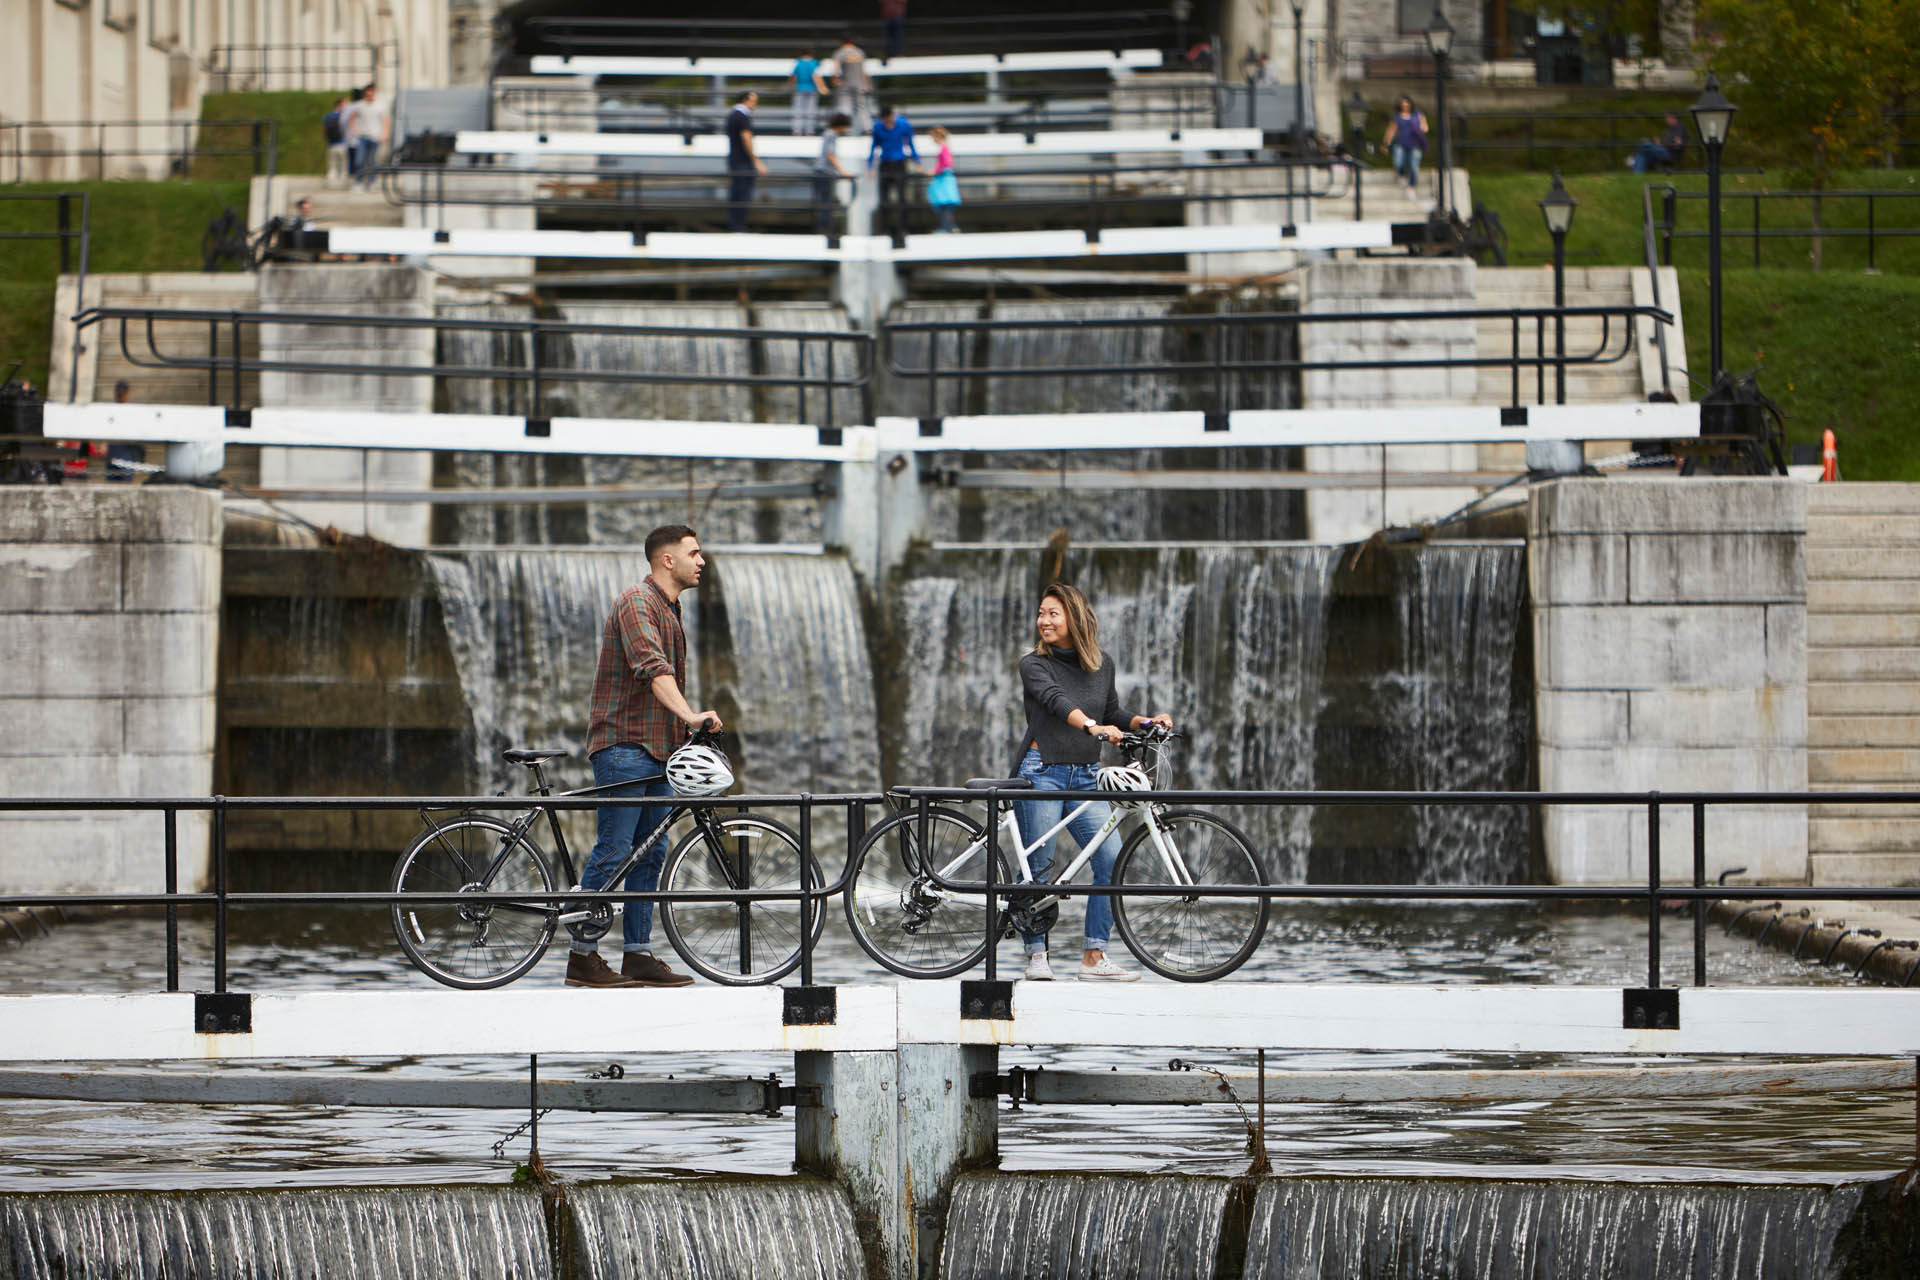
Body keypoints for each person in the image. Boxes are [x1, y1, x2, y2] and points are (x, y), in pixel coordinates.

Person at [567, 524, 722, 989]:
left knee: (652, 851)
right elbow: (652, 668)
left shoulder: (669, 608)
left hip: (659, 750)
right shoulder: (637, 602)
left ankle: (637, 954)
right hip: (624, 746)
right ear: (666, 560)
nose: (702, 561)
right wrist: (692, 715)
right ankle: (582, 956)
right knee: (615, 850)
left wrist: (686, 731)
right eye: (693, 553)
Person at [1013, 583, 1174, 983]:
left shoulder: (1102, 664)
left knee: (1111, 862)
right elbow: (1055, 701)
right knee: (1039, 867)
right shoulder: (1033, 664)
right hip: (1042, 771)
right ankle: (1036, 956)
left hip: (1085, 776)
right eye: (1041, 613)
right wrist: (1091, 727)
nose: (1044, 621)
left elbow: (1114, 712)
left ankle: (1093, 956)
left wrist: (1146, 722)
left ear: (1075, 618)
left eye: (1053, 613)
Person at [868, 102, 919, 243]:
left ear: (892, 116)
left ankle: (903, 228)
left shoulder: (903, 124)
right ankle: (885, 228)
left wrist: (917, 161)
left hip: (899, 164)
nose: (886, 122)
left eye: (888, 119)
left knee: (902, 198)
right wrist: (870, 166)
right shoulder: (878, 127)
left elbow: (910, 143)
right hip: (885, 164)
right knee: (884, 199)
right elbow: (874, 146)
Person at [725, 90, 767, 233]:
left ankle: (736, 224)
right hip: (743, 161)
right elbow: (746, 138)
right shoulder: (742, 117)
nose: (755, 105)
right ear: (745, 100)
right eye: (753, 101)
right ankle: (739, 226)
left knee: (737, 193)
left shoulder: (732, 115)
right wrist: (755, 160)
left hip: (734, 159)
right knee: (743, 193)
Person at [813, 112, 853, 235]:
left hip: (822, 172)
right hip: (824, 173)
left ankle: (824, 227)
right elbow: (830, 155)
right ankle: (825, 228)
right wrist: (843, 171)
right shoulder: (831, 135)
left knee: (825, 202)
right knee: (826, 202)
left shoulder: (828, 133)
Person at [346, 84, 389, 191]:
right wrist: (355, 130)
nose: (370, 93)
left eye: (372, 91)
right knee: (359, 160)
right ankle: (359, 182)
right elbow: (352, 118)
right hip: (363, 137)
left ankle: (372, 182)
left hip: (375, 137)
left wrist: (385, 133)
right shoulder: (359, 105)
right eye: (368, 91)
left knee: (373, 161)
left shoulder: (380, 106)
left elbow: (385, 120)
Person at [1383, 96, 1428, 191]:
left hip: (1415, 143)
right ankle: (1402, 175)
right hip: (1401, 143)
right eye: (1403, 103)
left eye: (1406, 102)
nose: (1405, 105)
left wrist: (1420, 128)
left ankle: (1412, 184)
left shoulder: (1418, 114)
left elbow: (1425, 127)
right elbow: (1391, 130)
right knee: (1398, 162)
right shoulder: (1397, 116)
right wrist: (1386, 144)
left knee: (1413, 164)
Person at [922, 125, 960, 233]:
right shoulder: (945, 148)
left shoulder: (944, 149)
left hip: (944, 180)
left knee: (944, 204)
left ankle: (947, 227)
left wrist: (935, 171)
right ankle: (949, 227)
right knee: (945, 205)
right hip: (944, 179)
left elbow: (946, 164)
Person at [830, 33, 871, 133]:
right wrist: (867, 84)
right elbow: (863, 71)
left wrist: (835, 80)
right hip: (859, 84)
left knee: (844, 107)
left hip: (845, 84)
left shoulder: (839, 53)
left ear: (841, 42)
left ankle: (844, 129)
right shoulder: (859, 52)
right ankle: (868, 129)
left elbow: (837, 70)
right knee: (862, 107)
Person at [106, 380, 140, 482]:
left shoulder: (132, 413)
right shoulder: (111, 411)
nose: (120, 396)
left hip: (126, 455)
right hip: (114, 454)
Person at [790, 47, 826, 136]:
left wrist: (792, 86)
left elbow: (793, 77)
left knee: (798, 111)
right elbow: (816, 75)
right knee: (811, 111)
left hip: (799, 88)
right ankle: (809, 131)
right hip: (811, 89)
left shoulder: (798, 63)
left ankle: (797, 131)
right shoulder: (814, 63)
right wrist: (822, 87)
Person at [322, 96, 350, 188]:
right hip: (342, 142)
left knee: (333, 162)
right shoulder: (345, 116)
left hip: (331, 143)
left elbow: (324, 129)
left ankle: (333, 175)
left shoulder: (328, 116)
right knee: (342, 162)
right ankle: (342, 176)